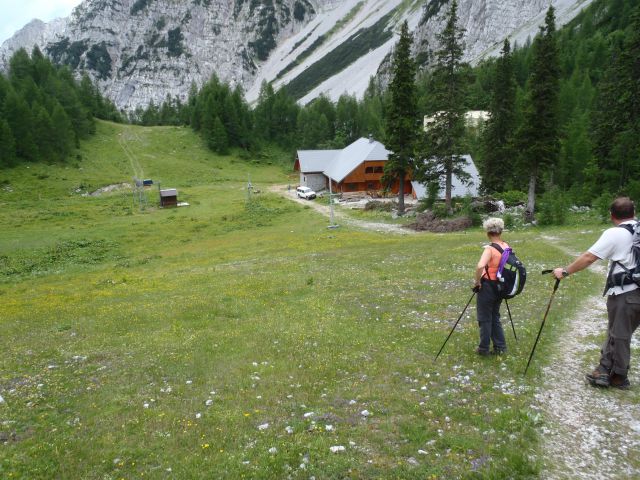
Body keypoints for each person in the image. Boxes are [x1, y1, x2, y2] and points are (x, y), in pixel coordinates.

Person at [552, 197, 640, 389]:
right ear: (633, 212)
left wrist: (565, 272)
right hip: (637, 291)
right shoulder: (638, 230)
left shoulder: (616, 233)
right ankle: (603, 369)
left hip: (626, 292)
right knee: (616, 332)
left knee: (620, 335)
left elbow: (589, 257)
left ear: (612, 215)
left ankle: (619, 376)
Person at [473, 217, 508, 356]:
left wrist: (477, 282)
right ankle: (500, 347)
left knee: (484, 318)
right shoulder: (506, 246)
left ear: (488, 233)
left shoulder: (490, 249)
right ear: (501, 231)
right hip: (500, 286)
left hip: (488, 286)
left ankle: (483, 348)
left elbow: (480, 265)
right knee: (495, 316)